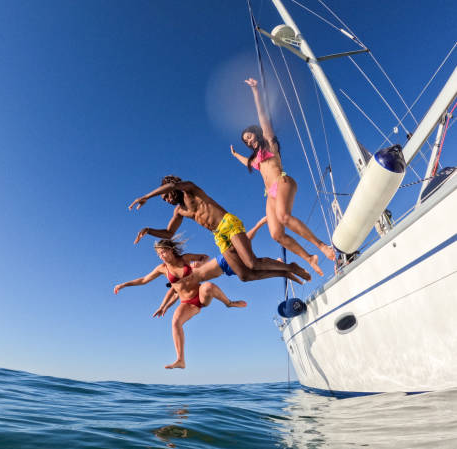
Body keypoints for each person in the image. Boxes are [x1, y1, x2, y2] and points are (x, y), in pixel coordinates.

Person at [229, 77, 335, 276]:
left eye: (249, 136)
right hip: (270, 194)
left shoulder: (269, 143)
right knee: (276, 234)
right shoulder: (256, 159)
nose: (248, 141)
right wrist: (235, 155)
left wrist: (255, 91)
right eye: (245, 141)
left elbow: (262, 116)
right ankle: (309, 257)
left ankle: (321, 245)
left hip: (283, 181)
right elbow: (248, 163)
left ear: (256, 133)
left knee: (284, 217)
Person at [128, 175, 310, 284]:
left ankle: (291, 267)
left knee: (252, 262)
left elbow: (173, 186)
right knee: (244, 275)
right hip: (219, 235)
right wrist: (148, 230)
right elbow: (169, 233)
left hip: (227, 223)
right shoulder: (179, 211)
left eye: (166, 196)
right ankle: (284, 272)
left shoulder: (189, 189)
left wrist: (145, 196)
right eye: (164, 199)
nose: (166, 199)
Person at [114, 239, 246, 369]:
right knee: (175, 322)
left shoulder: (185, 259)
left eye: (163, 252)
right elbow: (144, 280)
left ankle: (229, 303)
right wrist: (124, 284)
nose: (161, 256)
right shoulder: (162, 269)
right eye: (159, 254)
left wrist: (199, 263)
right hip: (188, 303)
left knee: (207, 286)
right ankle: (180, 360)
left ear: (170, 250)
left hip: (200, 295)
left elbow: (205, 257)